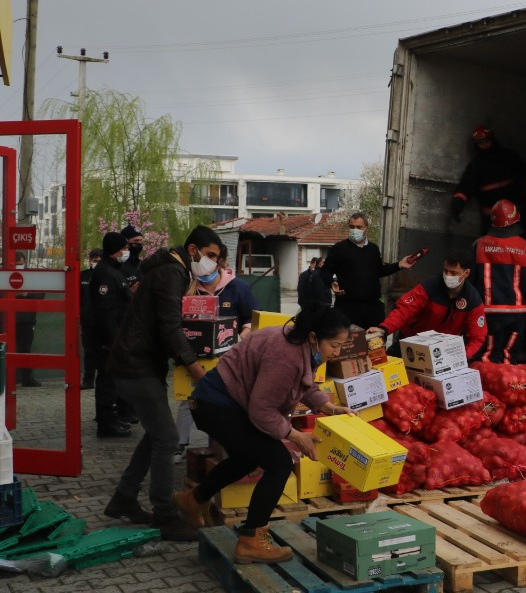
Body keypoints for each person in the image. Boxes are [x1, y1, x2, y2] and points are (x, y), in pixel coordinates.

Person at [172, 304, 356, 564]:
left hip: (226, 404)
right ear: (314, 336)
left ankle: (193, 500)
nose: (336, 353)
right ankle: (251, 541)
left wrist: (327, 406)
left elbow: (302, 383)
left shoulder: (299, 343)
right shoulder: (287, 354)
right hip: (216, 405)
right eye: (334, 345)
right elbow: (262, 410)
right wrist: (295, 435)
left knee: (247, 456)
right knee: (279, 462)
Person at [105, 225, 222, 541]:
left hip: (139, 363)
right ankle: (165, 515)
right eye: (210, 255)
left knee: (155, 435)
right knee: (168, 438)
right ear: (193, 250)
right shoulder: (172, 272)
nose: (212, 263)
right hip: (134, 365)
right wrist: (197, 370)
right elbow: (170, 327)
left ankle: (125, 498)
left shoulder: (174, 271)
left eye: (217, 259)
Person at [176, 244, 261, 456]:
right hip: (194, 359)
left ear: (222, 262)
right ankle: (179, 446)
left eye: (213, 257)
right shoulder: (189, 287)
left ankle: (217, 448)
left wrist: (241, 336)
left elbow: (254, 317)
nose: (205, 263)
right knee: (189, 401)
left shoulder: (237, 287)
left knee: (219, 404)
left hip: (229, 359)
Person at [366, 251, 487, 361]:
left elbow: (477, 337)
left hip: (442, 351)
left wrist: (464, 358)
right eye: (445, 271)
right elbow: (405, 308)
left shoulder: (472, 300)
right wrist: (384, 328)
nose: (448, 276)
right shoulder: (431, 286)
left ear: (466, 273)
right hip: (411, 342)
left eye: (453, 273)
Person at [471, 200, 526, 363]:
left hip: (487, 313)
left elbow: (470, 280)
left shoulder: (479, 245)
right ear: (516, 220)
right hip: (516, 315)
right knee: (509, 357)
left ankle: (484, 387)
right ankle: (508, 386)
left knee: (486, 356)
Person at [320, 212, 421, 328]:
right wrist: (331, 283)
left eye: (359, 227)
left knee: (375, 343)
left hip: (372, 309)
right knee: (350, 344)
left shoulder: (373, 249)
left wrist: (399, 265)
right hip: (348, 308)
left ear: (365, 228)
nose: (355, 230)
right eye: (352, 227)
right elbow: (325, 271)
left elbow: (379, 270)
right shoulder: (339, 248)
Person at [450, 126, 526, 231]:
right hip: (491, 219)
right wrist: (457, 204)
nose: (485, 145)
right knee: (491, 245)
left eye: (487, 141)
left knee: (516, 243)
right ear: (477, 145)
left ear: (492, 140)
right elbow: (465, 187)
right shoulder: (475, 165)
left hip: (513, 215)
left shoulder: (509, 156)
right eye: (481, 142)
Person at [88, 234, 134, 438]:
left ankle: (111, 419)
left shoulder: (114, 270)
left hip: (117, 336)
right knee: (107, 381)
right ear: (115, 249)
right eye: (125, 247)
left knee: (113, 380)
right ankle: (106, 424)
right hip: (108, 339)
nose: (127, 251)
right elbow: (106, 311)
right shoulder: (105, 272)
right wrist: (114, 341)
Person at [14, 254, 46, 388]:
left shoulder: (31, 275)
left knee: (25, 348)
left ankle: (27, 378)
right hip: (6, 318)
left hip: (26, 319)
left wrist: (27, 294)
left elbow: (40, 294)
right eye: (16, 263)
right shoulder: (4, 274)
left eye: (20, 263)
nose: (18, 266)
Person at [80, 248, 103, 390]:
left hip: (104, 321)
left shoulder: (108, 276)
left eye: (100, 261)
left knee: (103, 352)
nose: (97, 263)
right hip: (88, 321)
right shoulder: (82, 276)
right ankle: (88, 380)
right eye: (95, 261)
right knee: (88, 352)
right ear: (90, 261)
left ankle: (103, 380)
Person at [120, 224, 145, 289]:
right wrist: (129, 293)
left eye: (141, 240)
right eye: (136, 241)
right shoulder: (118, 265)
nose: (139, 243)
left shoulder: (141, 264)